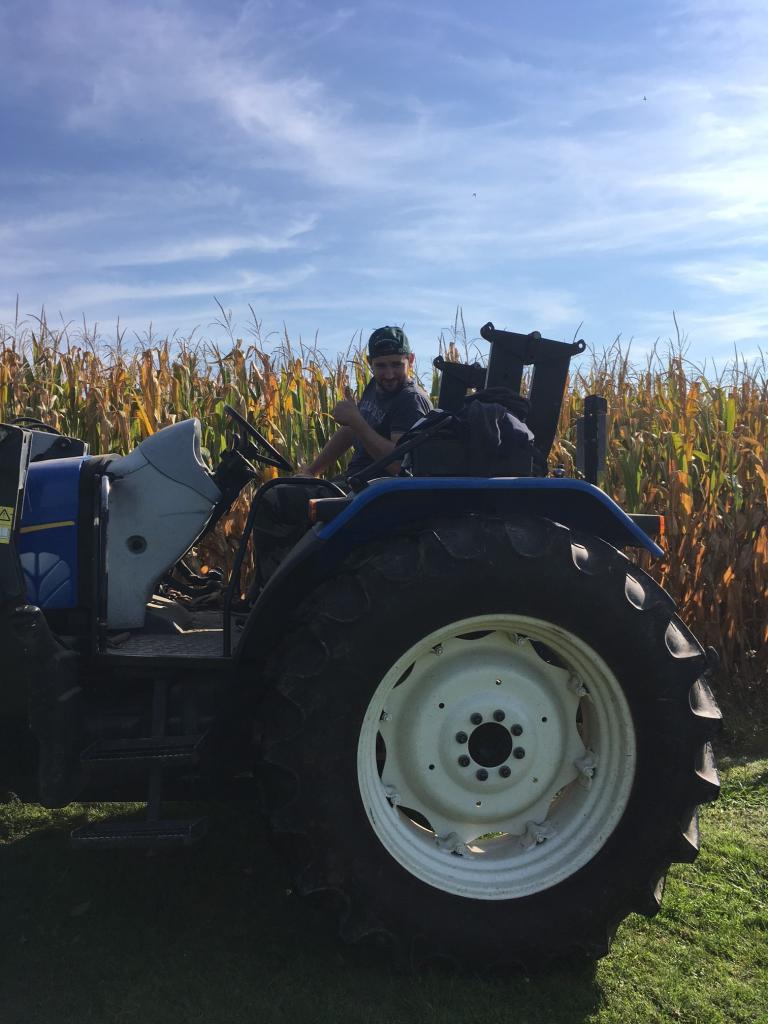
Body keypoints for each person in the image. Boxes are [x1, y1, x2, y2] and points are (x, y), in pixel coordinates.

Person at [297, 326, 432, 482]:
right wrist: (311, 471)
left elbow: (399, 466)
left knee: (281, 497)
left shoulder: (410, 400)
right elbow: (350, 431)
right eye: (381, 366)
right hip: (356, 480)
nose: (389, 375)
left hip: (379, 491)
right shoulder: (375, 385)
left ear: (411, 360)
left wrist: (357, 421)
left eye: (396, 364)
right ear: (369, 362)